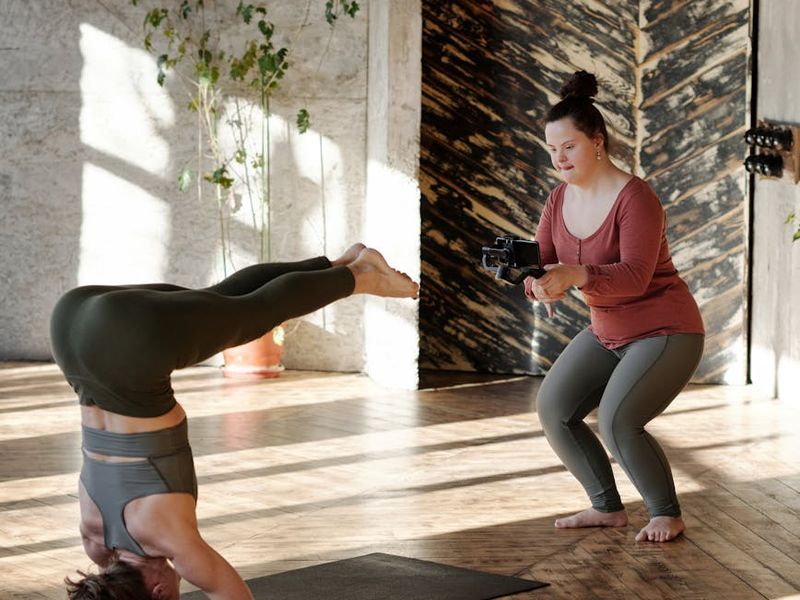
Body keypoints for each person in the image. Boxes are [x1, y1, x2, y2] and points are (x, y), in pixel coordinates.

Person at [51, 244, 419, 600]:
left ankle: (361, 275)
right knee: (225, 301)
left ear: (160, 593)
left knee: (257, 312)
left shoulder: (173, 543)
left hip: (133, 345)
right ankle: (338, 264)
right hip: (71, 323)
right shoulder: (95, 540)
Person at [524, 71, 705, 543]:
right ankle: (606, 507)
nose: (558, 159)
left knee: (618, 420)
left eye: (569, 147)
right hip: (608, 328)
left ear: (597, 142)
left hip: (665, 330)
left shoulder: (636, 197)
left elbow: (636, 275)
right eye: (551, 149)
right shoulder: (558, 197)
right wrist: (536, 283)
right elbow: (543, 262)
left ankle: (666, 512)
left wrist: (577, 275)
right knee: (554, 408)